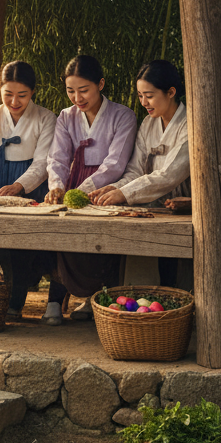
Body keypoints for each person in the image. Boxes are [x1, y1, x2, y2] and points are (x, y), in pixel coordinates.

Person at [43, 54, 138, 324]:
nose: (77, 98)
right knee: (63, 238)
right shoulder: (66, 117)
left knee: (102, 243)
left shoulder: (123, 115)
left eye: (83, 90)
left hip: (105, 189)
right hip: (72, 185)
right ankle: (54, 299)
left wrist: (85, 190)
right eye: (70, 91)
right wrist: (57, 186)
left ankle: (95, 299)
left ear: (101, 84)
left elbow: (116, 163)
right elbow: (58, 158)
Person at [92, 59, 190, 287]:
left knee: (178, 278)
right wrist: (116, 188)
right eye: (140, 96)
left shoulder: (190, 124)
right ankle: (136, 298)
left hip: (185, 208)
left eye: (149, 96)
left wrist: (125, 193)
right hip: (151, 206)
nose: (144, 102)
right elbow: (135, 169)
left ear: (171, 92)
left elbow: (169, 175)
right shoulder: (148, 123)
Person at [0, 60, 56, 318]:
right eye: (8, 94)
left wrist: (19, 186)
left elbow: (42, 163)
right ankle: (3, 298)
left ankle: (14, 303)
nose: (14, 101)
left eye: (22, 95)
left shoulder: (46, 118)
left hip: (31, 188)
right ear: (0, 89)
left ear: (33, 92)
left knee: (22, 247)